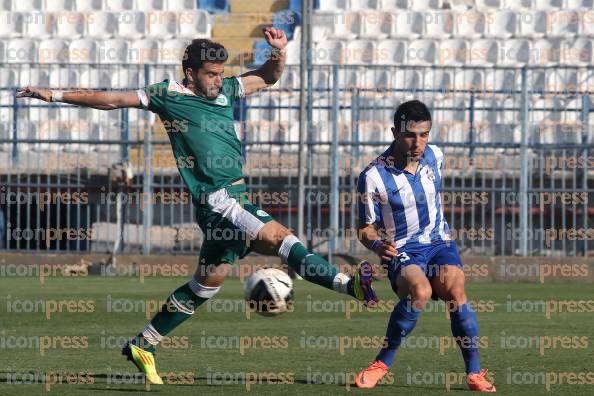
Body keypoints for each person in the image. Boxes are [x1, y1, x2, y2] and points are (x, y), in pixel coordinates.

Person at [17, 27, 377, 385]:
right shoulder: (167, 94)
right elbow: (110, 99)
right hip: (221, 200)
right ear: (190, 73)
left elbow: (268, 77)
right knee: (284, 238)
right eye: (211, 74)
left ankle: (145, 343)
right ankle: (351, 287)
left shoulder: (226, 91)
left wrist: (279, 52)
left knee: (207, 284)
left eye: (221, 73)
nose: (219, 80)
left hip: (232, 200)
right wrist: (53, 95)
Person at [354, 100, 495, 392]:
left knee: (455, 289)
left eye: (424, 134)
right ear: (395, 132)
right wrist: (379, 245)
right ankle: (382, 362)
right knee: (421, 291)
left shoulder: (436, 156)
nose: (417, 142)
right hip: (403, 249)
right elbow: (364, 229)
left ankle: (474, 372)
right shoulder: (373, 176)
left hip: (439, 243)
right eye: (410, 135)